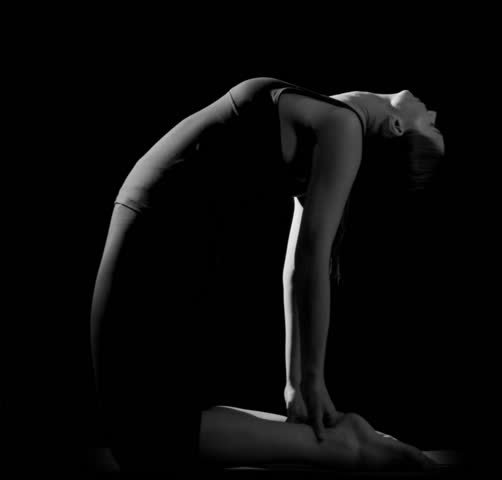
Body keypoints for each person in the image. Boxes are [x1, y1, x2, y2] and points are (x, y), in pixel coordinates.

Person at [89, 77, 444, 472]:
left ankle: (347, 446)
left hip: (156, 231)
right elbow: (295, 269)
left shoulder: (342, 127)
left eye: (431, 127)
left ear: (395, 128)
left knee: (142, 440)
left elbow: (310, 262)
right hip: (155, 228)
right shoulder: (330, 122)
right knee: (141, 435)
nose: (434, 114)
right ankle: (344, 442)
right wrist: (295, 385)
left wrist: (310, 381)